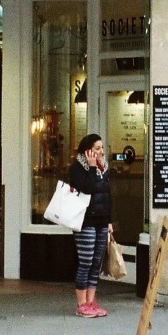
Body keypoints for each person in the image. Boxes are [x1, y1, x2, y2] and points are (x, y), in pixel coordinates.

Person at [69, 133, 113, 318]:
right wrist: (92, 168)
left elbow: (107, 195)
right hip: (85, 221)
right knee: (86, 262)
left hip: (101, 220)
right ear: (87, 151)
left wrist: (109, 221)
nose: (101, 152)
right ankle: (81, 305)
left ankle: (90, 301)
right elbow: (87, 189)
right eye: (97, 148)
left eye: (102, 148)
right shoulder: (78, 168)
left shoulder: (104, 168)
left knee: (96, 263)